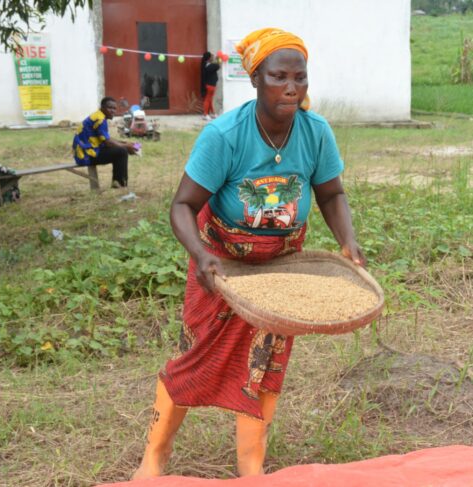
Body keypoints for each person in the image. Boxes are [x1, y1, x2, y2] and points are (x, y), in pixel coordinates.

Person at [132, 28, 365, 479]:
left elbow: (331, 193)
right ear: (256, 79)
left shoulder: (315, 133)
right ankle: (156, 453)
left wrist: (347, 239)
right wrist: (201, 256)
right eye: (279, 77)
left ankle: (250, 467)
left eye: (300, 78)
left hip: (281, 266)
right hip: (221, 264)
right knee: (195, 357)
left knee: (267, 362)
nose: (292, 88)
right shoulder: (225, 136)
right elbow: (182, 205)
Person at [72, 97, 137, 188]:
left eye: (114, 108)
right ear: (102, 107)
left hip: (89, 151)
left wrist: (123, 142)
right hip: (86, 155)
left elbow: (106, 138)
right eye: (109, 108)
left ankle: (118, 182)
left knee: (120, 149)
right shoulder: (100, 119)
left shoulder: (99, 116)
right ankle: (120, 184)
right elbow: (108, 142)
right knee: (121, 151)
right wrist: (126, 146)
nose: (112, 111)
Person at [200, 51, 221, 120]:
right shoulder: (210, 66)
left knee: (209, 100)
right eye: (211, 56)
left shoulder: (206, 65)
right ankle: (205, 114)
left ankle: (213, 113)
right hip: (210, 85)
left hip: (210, 85)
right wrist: (217, 59)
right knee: (207, 100)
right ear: (209, 58)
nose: (212, 57)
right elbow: (218, 65)